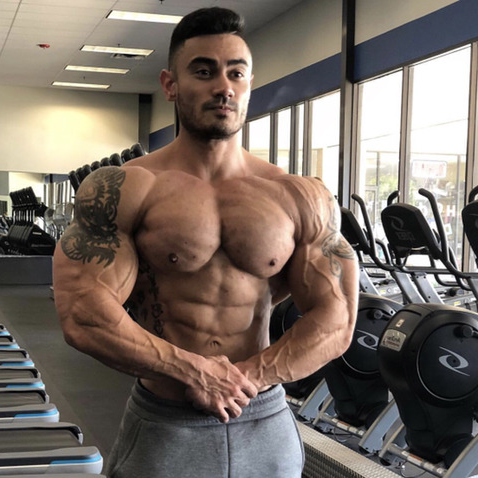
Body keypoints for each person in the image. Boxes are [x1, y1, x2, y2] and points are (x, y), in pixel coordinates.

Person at [52, 7, 359, 478]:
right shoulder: (122, 189)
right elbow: (83, 314)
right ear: (170, 84)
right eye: (203, 71)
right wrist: (191, 370)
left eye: (236, 72)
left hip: (264, 419)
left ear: (250, 82)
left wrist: (245, 378)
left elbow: (337, 319)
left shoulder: (299, 196)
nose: (224, 86)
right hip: (165, 423)